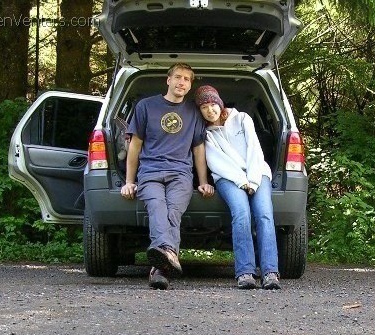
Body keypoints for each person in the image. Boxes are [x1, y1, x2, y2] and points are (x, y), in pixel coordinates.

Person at [121, 63, 214, 290]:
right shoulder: (146, 106)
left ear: (190, 85)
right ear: (168, 80)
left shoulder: (193, 111)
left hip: (181, 173)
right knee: (157, 207)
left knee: (173, 211)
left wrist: (202, 181)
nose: (182, 82)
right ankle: (168, 256)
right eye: (178, 77)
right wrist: (129, 181)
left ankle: (159, 269)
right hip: (150, 172)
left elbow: (198, 149)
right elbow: (135, 146)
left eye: (187, 79)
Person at [195, 85, 282, 290]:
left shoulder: (242, 118)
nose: (210, 110)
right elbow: (216, 162)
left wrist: (252, 180)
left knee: (264, 214)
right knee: (241, 213)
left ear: (220, 103)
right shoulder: (206, 134)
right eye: (204, 107)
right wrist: (240, 181)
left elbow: (254, 150)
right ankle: (245, 272)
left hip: (257, 172)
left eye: (213, 104)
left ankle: (270, 272)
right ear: (199, 111)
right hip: (228, 177)